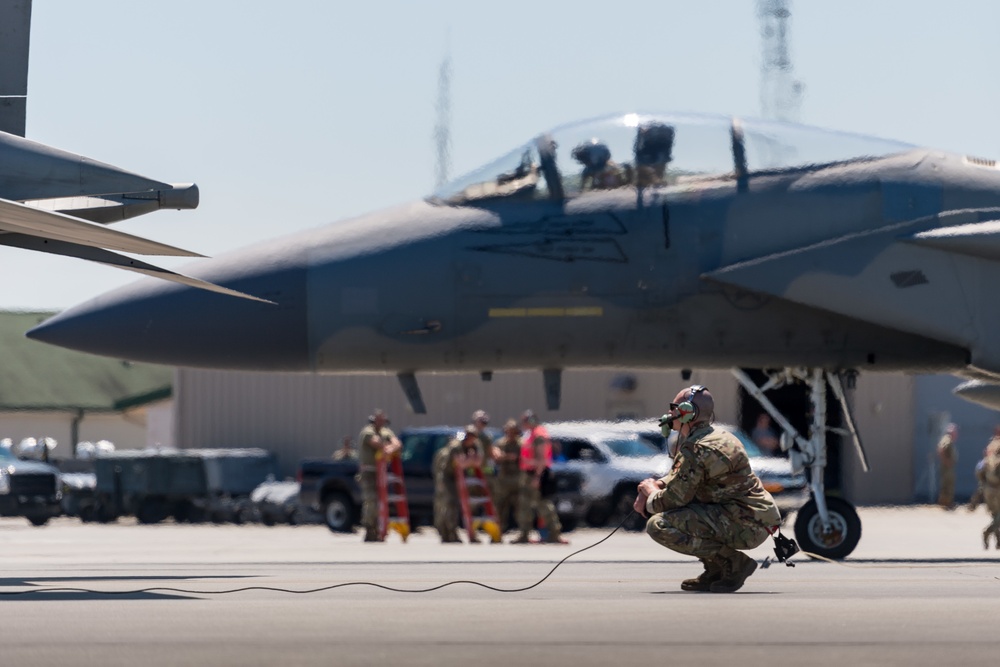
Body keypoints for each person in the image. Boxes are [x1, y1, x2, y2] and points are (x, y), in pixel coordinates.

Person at [635, 385, 781, 593]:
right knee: (688, 512)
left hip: (745, 524)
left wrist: (649, 494)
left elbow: (672, 499)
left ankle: (734, 563)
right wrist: (658, 484)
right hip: (753, 518)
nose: (669, 413)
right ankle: (716, 570)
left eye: (674, 407)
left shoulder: (697, 447)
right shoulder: (718, 436)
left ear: (687, 412)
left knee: (659, 525)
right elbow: (687, 478)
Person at [513, 410, 566, 544]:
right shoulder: (531, 434)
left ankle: (554, 533)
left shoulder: (539, 435)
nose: (523, 424)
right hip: (528, 474)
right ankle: (524, 534)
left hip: (536, 474)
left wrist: (537, 477)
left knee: (543, 504)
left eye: (525, 421)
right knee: (524, 505)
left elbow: (542, 459)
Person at [356, 409, 401, 542]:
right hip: (368, 472)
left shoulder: (386, 432)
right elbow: (376, 443)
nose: (382, 423)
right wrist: (387, 448)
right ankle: (370, 529)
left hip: (381, 472)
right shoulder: (367, 431)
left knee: (381, 502)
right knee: (371, 500)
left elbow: (397, 443)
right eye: (379, 420)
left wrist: (390, 448)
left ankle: (379, 529)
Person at [434, 425, 484, 543]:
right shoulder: (456, 446)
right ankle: (449, 534)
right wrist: (469, 461)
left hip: (461, 477)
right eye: (468, 436)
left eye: (473, 436)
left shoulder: (475, 445)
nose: (470, 439)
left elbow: (478, 462)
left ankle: (463, 533)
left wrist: (469, 461)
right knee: (449, 504)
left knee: (467, 505)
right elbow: (459, 463)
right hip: (447, 477)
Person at [493, 419, 523, 533]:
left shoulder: (522, 444)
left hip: (518, 479)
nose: (510, 434)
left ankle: (523, 533)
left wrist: (512, 457)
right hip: (503, 480)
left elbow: (524, 459)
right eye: (508, 431)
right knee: (500, 507)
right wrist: (506, 457)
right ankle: (498, 532)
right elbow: (496, 457)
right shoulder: (500, 443)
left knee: (520, 508)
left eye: (513, 432)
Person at [975, 434, 1000, 548]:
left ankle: (998, 541)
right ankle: (987, 532)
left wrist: (984, 486)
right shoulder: (997, 462)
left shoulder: (987, 461)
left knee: (995, 515)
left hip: (988, 490)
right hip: (997, 490)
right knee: (998, 518)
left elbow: (979, 473)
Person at [936, 423, 959, 509]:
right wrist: (946, 461)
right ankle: (946, 503)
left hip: (949, 467)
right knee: (947, 485)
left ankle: (946, 502)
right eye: (955, 432)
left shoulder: (949, 441)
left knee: (949, 484)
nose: (956, 434)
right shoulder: (947, 440)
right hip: (946, 468)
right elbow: (941, 450)